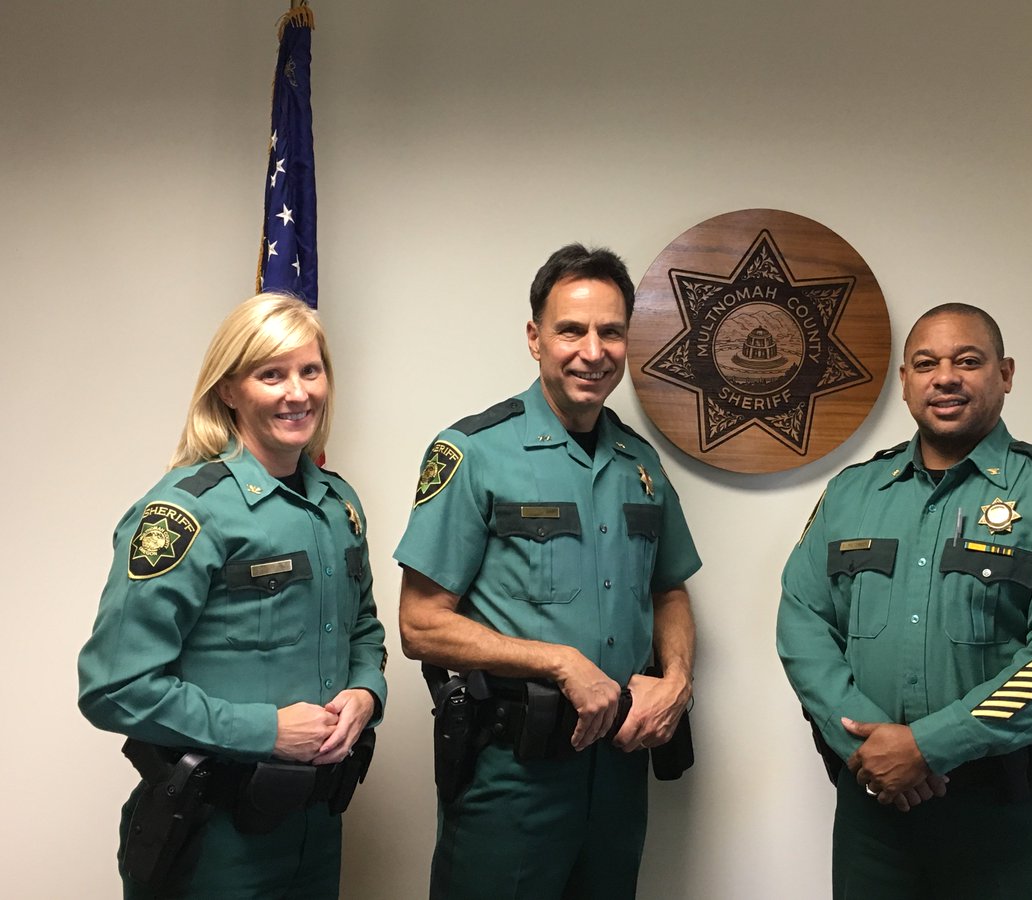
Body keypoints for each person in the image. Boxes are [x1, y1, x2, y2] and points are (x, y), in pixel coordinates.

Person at [776, 303, 1032, 899]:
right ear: (905, 382)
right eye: (926, 364)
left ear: (1005, 374)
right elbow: (803, 621)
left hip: (1012, 818)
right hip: (875, 815)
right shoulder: (852, 493)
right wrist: (866, 745)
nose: (945, 377)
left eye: (967, 361)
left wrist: (929, 747)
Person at [394, 244, 701, 900]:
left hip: (618, 770)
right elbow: (420, 626)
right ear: (535, 338)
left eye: (610, 332)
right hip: (514, 772)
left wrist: (676, 681)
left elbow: (669, 589)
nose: (593, 351)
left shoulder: (640, 463)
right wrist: (559, 662)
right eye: (571, 330)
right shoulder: (474, 452)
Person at [78, 293, 388, 898]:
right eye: (271, 374)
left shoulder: (339, 505)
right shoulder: (186, 512)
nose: (297, 393)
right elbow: (112, 688)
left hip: (317, 829)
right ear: (228, 389)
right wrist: (265, 731)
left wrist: (365, 691)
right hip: (213, 839)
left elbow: (364, 629)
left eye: (310, 370)